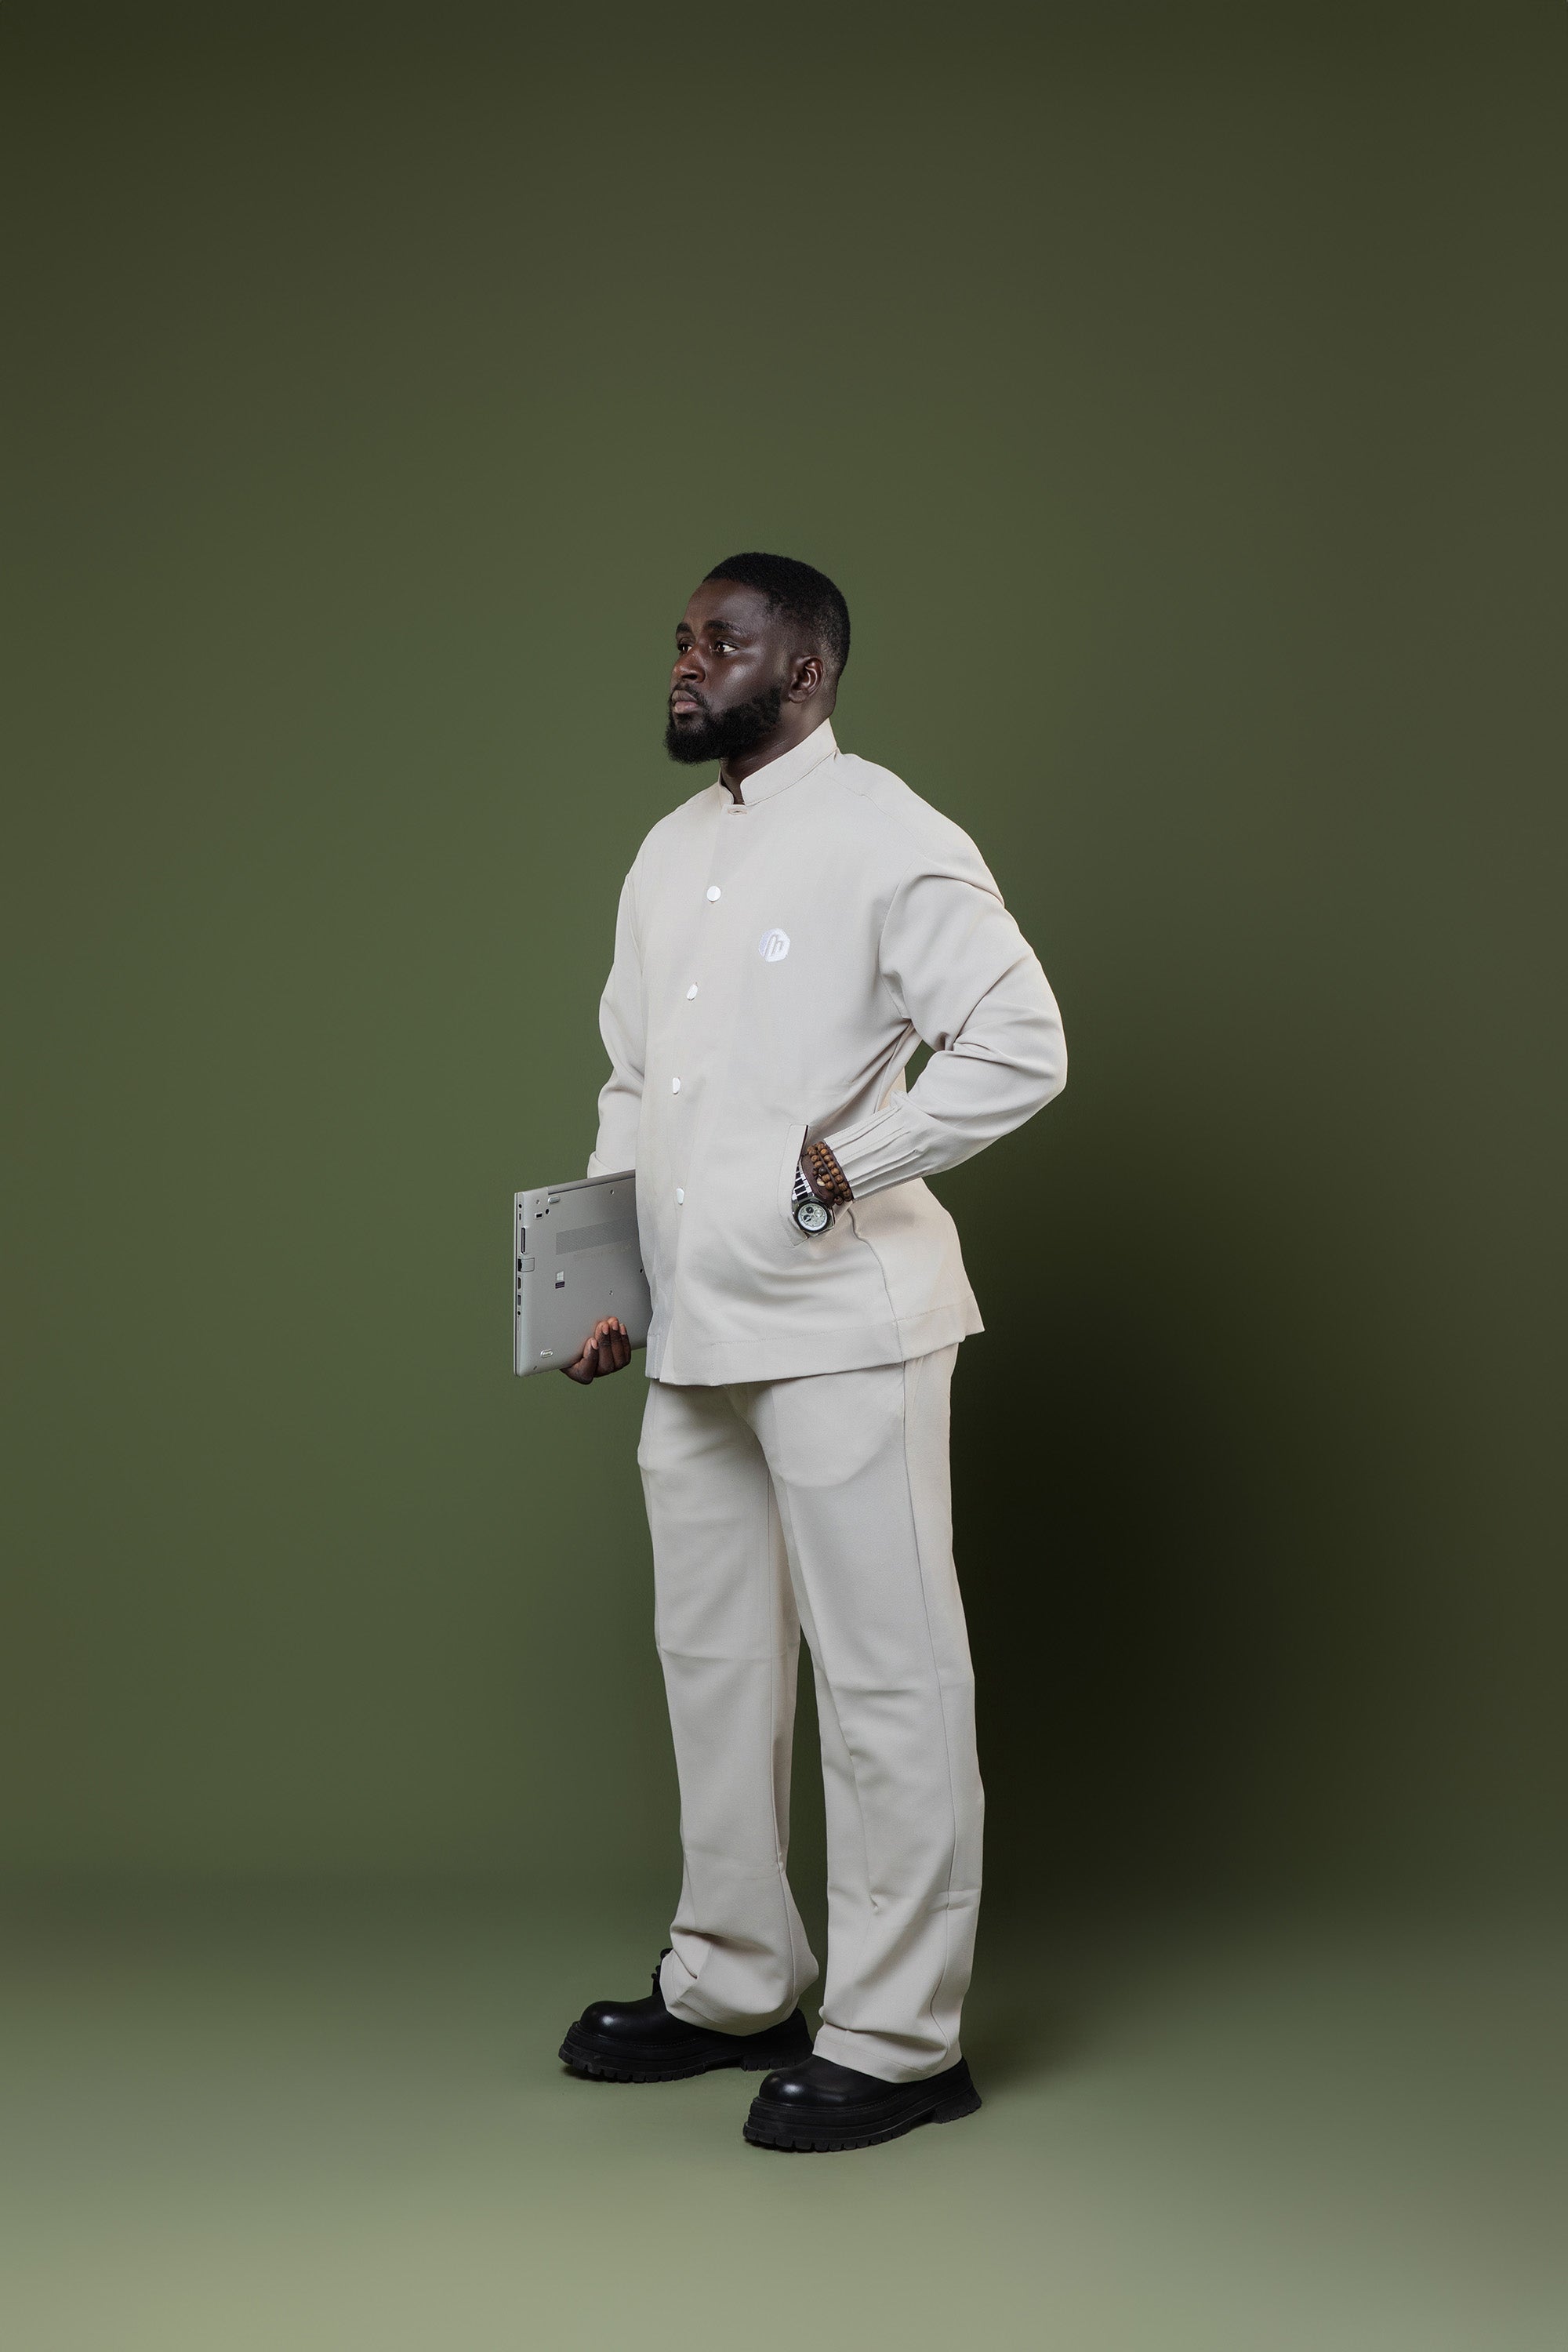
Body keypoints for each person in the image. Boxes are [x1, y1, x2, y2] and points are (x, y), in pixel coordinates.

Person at [555, 553, 1066, 2151]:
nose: (686, 663)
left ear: (808, 672)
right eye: (681, 638)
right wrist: (605, 1281)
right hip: (690, 1331)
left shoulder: (888, 835)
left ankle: (901, 2037)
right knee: (714, 1668)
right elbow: (633, 1083)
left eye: (723, 643)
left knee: (886, 1679)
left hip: (847, 1327)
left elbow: (1022, 1041)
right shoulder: (664, 856)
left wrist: (853, 1161)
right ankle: (732, 1979)